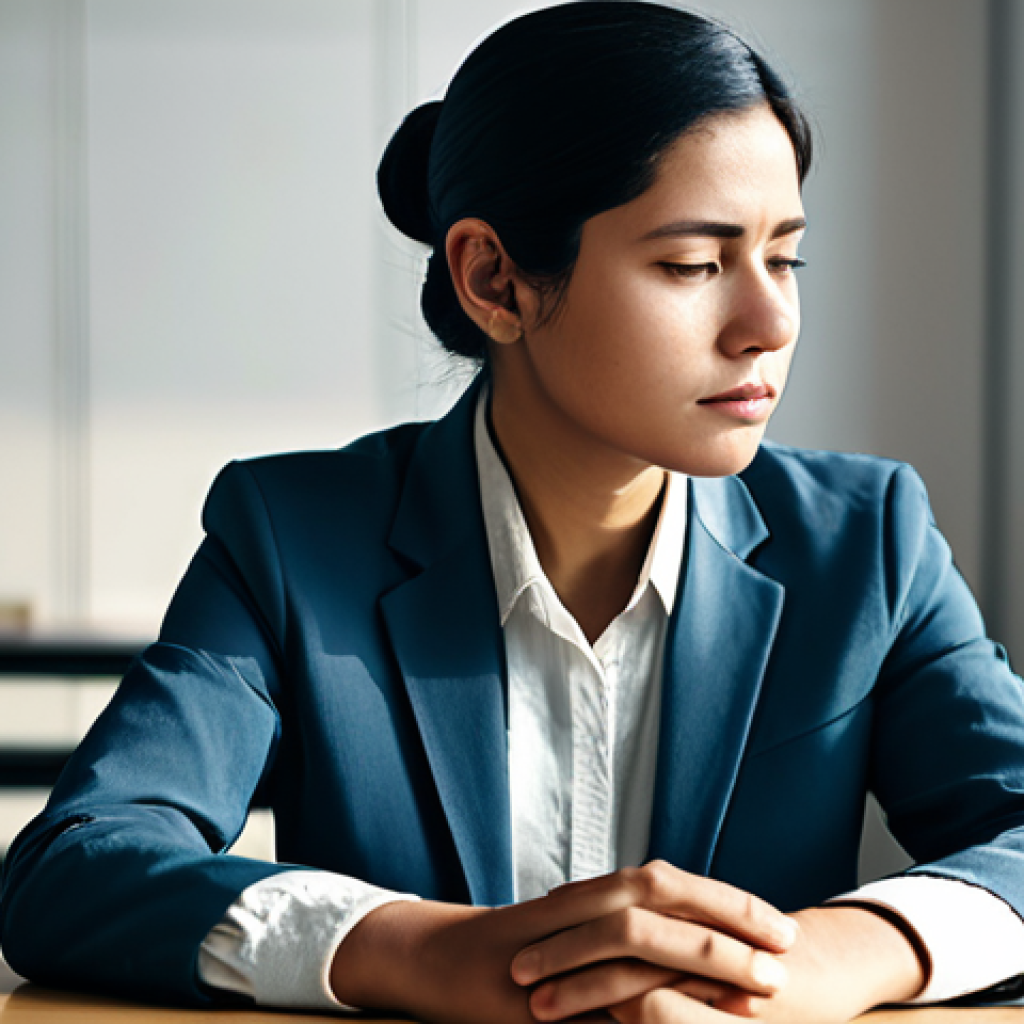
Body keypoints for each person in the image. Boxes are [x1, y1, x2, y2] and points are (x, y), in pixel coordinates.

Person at [3, 2, 1024, 1021]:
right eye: (693, 264)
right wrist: (417, 951)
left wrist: (814, 962)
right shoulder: (290, 537)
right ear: (495, 279)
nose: (770, 323)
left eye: (784, 257)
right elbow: (74, 867)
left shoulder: (864, 541)